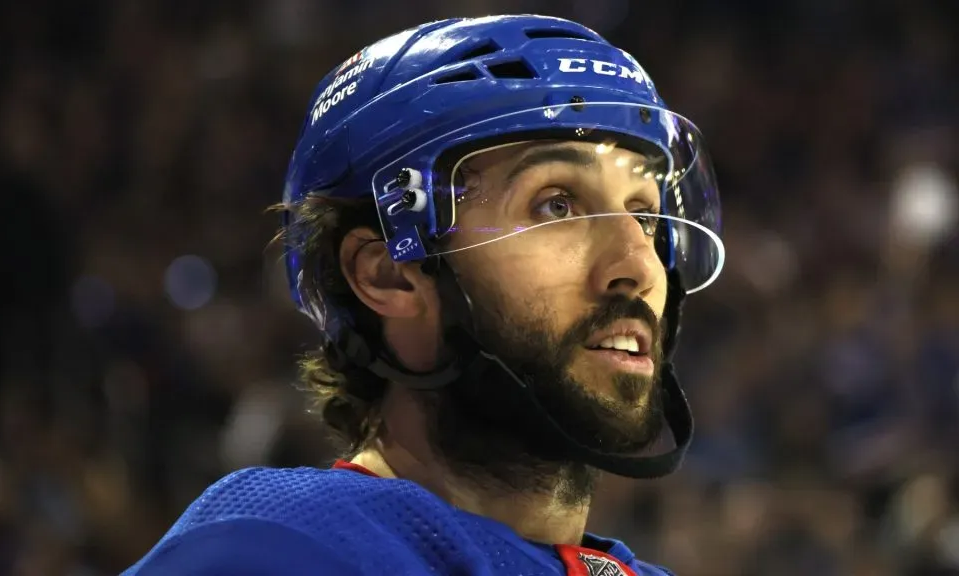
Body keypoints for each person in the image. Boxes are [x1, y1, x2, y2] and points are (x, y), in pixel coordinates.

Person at [122, 14, 725, 576]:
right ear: (388, 273)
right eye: (557, 205)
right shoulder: (274, 549)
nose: (637, 265)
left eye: (645, 215)